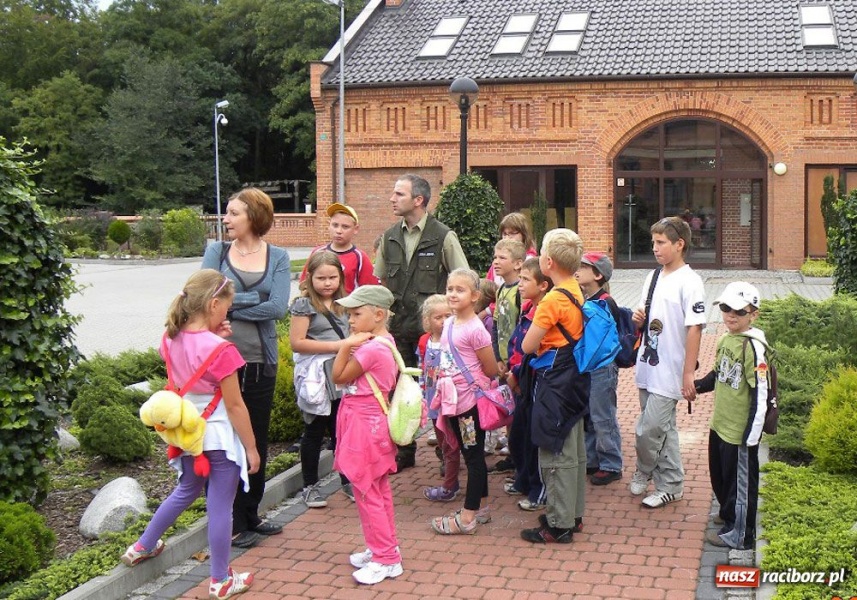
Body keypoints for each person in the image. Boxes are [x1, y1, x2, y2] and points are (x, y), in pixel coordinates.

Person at [121, 269, 260, 599]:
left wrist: (215, 335)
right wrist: (252, 448)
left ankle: (142, 545)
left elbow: (189, 359)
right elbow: (236, 406)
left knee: (185, 490)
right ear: (214, 304)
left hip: (186, 432)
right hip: (218, 436)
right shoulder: (223, 351)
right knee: (220, 508)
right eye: (227, 306)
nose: (229, 312)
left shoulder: (168, 338)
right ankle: (220, 580)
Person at [201, 187, 290, 548]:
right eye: (227, 213)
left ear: (253, 216)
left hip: (258, 362)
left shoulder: (279, 256)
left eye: (233, 213)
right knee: (225, 442)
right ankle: (234, 521)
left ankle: (252, 514)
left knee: (256, 438)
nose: (226, 219)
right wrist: (255, 300)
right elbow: (203, 300)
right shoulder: (216, 252)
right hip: (219, 364)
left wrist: (232, 306)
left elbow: (279, 308)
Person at [374, 174, 469, 471]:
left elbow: (463, 279)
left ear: (418, 200)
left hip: (436, 333)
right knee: (399, 391)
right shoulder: (389, 237)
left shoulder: (443, 236)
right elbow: (380, 281)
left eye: (399, 193)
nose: (392, 198)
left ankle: (448, 453)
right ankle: (404, 451)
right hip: (400, 328)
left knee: (441, 392)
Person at [519, 229, 590, 544]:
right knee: (573, 446)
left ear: (547, 262)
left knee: (554, 448)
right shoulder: (576, 287)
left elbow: (527, 345)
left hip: (555, 380)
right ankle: (572, 514)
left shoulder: (551, 300)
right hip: (576, 376)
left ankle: (558, 525)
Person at [630, 216, 706, 508]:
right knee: (664, 429)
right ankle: (671, 484)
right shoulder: (653, 277)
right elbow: (646, 314)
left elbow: (695, 328)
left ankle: (643, 469)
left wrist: (688, 373)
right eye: (653, 242)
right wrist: (639, 318)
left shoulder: (691, 282)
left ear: (679, 244)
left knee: (648, 430)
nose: (655, 248)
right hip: (648, 366)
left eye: (661, 243)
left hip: (670, 371)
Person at [330, 285, 403, 585]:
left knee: (366, 489)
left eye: (356, 314)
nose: (351, 320)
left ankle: (386, 558)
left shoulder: (372, 347)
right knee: (376, 487)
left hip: (365, 423)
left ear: (378, 314)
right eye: (349, 315)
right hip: (370, 421)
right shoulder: (384, 341)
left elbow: (338, 377)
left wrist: (346, 346)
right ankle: (383, 548)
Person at [695, 282, 768, 550]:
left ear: (753, 314)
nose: (730, 315)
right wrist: (698, 386)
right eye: (726, 308)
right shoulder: (726, 339)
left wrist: (752, 434)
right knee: (721, 476)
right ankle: (727, 515)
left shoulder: (753, 347)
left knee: (740, 485)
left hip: (740, 431)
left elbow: (761, 393)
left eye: (738, 310)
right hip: (721, 424)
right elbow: (719, 374)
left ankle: (740, 534)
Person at [430, 268, 499, 535]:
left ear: (475, 296)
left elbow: (490, 368)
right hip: (454, 401)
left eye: (460, 290)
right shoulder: (449, 323)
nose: (453, 294)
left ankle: (468, 516)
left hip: (469, 403)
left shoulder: (475, 329)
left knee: (473, 457)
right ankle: (480, 508)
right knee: (471, 453)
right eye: (450, 289)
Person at [290, 251, 352, 508]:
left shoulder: (347, 303)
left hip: (341, 375)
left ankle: (347, 479)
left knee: (342, 430)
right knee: (314, 431)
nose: (327, 283)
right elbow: (297, 342)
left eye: (332, 278)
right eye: (321, 278)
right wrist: (338, 345)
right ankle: (309, 485)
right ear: (310, 278)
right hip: (316, 377)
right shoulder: (304, 305)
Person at [504, 257, 552, 511]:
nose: (520, 284)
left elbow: (533, 351)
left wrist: (518, 373)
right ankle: (523, 479)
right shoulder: (527, 308)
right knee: (520, 434)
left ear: (543, 285)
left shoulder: (544, 312)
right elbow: (516, 343)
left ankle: (539, 489)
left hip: (533, 380)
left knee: (534, 439)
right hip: (519, 378)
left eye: (525, 280)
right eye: (520, 279)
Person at [574, 252, 623, 486]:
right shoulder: (586, 297)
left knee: (603, 416)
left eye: (583, 267)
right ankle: (593, 459)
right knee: (590, 415)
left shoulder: (603, 302)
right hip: (589, 366)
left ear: (597, 275)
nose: (577, 270)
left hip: (603, 367)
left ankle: (611, 464)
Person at [418, 294, 461, 502]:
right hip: (434, 401)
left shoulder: (455, 339)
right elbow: (423, 370)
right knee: (445, 443)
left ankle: (451, 485)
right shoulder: (425, 341)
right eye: (438, 317)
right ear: (427, 320)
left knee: (456, 444)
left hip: (454, 402)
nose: (444, 321)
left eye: (448, 315)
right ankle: (451, 480)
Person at [299, 203, 379, 294]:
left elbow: (370, 292)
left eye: (345, 227)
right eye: (335, 225)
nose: (338, 231)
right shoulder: (317, 252)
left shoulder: (360, 258)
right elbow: (304, 285)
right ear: (329, 225)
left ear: (356, 229)